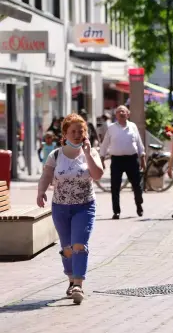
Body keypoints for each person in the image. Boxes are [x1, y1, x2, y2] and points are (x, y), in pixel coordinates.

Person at [36, 113, 104, 305]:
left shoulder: (91, 153)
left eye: (80, 131)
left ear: (85, 133)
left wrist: (89, 154)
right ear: (65, 134)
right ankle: (71, 280)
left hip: (85, 206)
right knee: (67, 248)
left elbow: (97, 175)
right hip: (61, 208)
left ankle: (78, 284)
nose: (77, 134)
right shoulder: (55, 154)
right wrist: (41, 191)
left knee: (79, 244)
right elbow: (46, 176)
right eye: (73, 131)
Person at [99, 105, 146, 220]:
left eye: (123, 111)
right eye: (119, 112)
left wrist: (142, 158)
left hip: (132, 159)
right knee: (115, 187)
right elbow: (105, 144)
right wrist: (102, 159)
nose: (121, 113)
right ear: (116, 115)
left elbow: (139, 143)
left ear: (128, 114)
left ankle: (139, 204)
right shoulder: (111, 128)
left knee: (136, 185)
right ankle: (116, 211)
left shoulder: (133, 126)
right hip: (116, 160)